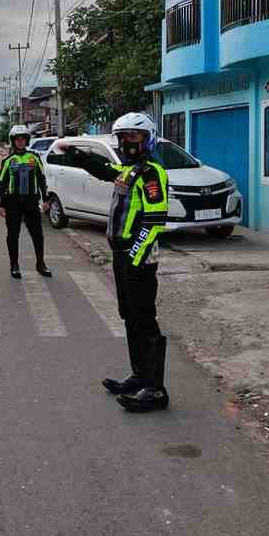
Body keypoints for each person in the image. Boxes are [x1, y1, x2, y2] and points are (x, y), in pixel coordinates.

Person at [64, 112, 170, 413]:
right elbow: (104, 169)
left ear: (147, 139)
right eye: (123, 138)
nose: (127, 143)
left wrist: (135, 258)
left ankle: (155, 389)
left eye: (133, 137)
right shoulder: (128, 171)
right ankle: (139, 377)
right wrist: (77, 155)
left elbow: (154, 220)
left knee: (145, 320)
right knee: (130, 317)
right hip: (123, 256)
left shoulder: (151, 173)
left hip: (140, 259)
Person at [0, 125, 52, 280]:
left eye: (23, 139)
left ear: (26, 140)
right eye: (17, 139)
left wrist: (46, 199)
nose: (20, 142)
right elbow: (1, 183)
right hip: (12, 203)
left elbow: (41, 179)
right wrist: (0, 204)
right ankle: (14, 265)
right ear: (13, 141)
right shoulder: (7, 161)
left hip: (31, 202)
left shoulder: (34, 157)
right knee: (13, 235)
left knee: (38, 235)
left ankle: (40, 264)